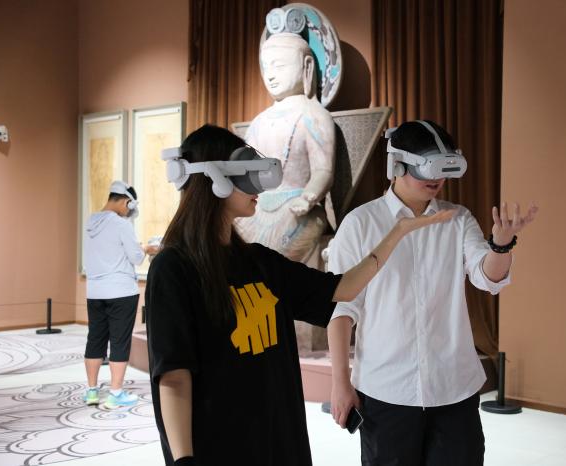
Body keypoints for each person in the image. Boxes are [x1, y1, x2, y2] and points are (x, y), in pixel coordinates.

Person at [144, 124, 453, 466]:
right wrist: (184, 460)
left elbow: (342, 288)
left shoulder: (259, 262)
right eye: (245, 171)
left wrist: (397, 233)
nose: (257, 186)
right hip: (219, 447)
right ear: (214, 178)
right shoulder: (173, 269)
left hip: (279, 441)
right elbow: (173, 376)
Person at [327, 120, 539, 466]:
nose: (437, 179)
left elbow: (487, 277)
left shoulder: (457, 220)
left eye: (445, 169)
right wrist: (340, 382)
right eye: (428, 168)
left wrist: (501, 245)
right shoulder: (360, 224)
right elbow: (341, 310)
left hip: (453, 389)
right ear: (397, 165)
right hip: (386, 391)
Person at [235, 30, 335, 263]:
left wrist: (308, 197)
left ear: (306, 66)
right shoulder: (259, 122)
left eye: (279, 66)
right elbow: (244, 172)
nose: (270, 75)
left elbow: (323, 171)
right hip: (258, 207)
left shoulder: (314, 115)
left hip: (297, 208)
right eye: (266, 67)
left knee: (279, 255)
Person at [83, 180, 158, 409]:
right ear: (126, 202)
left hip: (95, 292)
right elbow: (136, 257)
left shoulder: (91, 222)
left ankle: (92, 391)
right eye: (129, 209)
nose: (129, 214)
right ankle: (115, 393)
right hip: (121, 291)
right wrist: (146, 248)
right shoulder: (121, 225)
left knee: (95, 339)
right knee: (119, 341)